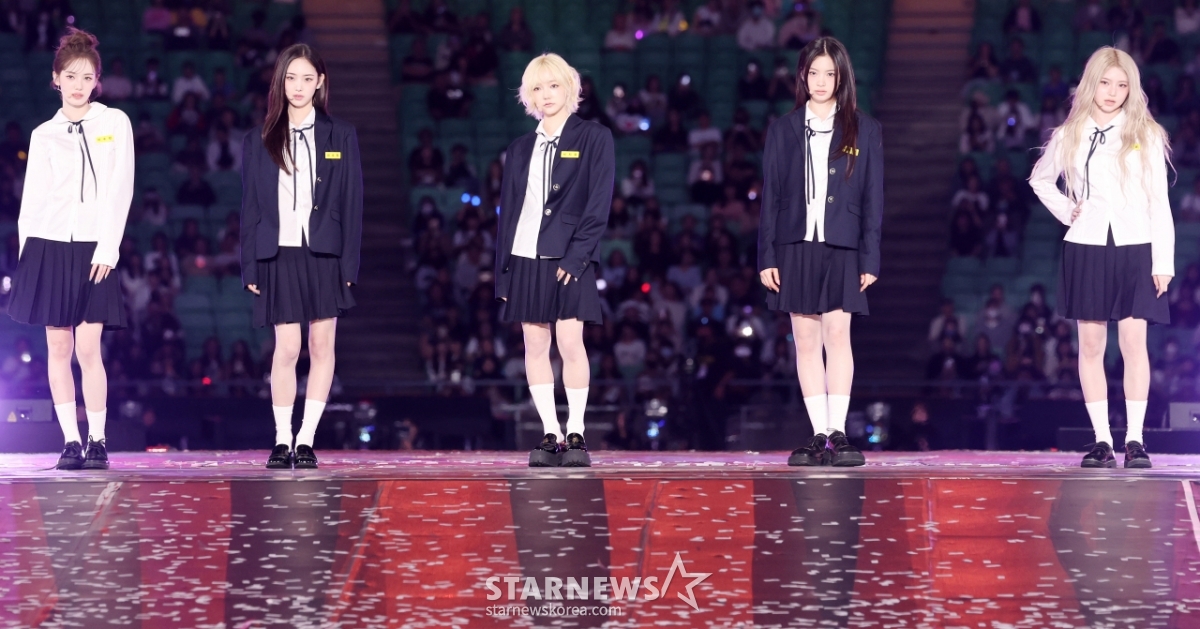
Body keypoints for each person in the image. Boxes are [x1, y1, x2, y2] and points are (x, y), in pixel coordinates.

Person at [1029, 47, 1173, 469]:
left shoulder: (1145, 133)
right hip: (1087, 245)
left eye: (1122, 85)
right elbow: (1040, 179)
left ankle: (1135, 440)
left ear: (1132, 89)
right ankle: (1102, 440)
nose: (1112, 92)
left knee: (1133, 344)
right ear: (1092, 83)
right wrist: (1067, 211)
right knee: (1091, 346)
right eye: (1106, 83)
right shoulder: (1069, 134)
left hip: (1136, 246)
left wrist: (1163, 261)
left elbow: (1159, 200)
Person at [8, 28, 134, 471]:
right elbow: (32, 202)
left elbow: (121, 188)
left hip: (94, 249)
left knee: (88, 349)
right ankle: (70, 441)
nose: (78, 85)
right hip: (49, 247)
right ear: (56, 78)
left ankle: (98, 439)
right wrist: (28, 260)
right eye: (71, 76)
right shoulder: (44, 134)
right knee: (58, 350)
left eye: (87, 77)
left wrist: (109, 247)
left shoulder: (114, 123)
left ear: (97, 80)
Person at [758, 37, 882, 467]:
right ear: (803, 76)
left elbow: (873, 197)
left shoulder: (865, 129)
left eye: (830, 73)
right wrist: (767, 255)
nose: (822, 81)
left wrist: (870, 256)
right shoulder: (783, 129)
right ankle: (818, 434)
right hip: (794, 243)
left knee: (837, 335)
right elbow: (771, 196)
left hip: (843, 243)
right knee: (806, 340)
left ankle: (838, 432)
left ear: (842, 78)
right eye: (814, 73)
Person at [240, 44, 363, 470]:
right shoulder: (258, 138)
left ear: (320, 83)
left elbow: (352, 202)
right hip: (278, 252)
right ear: (280, 81)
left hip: (324, 251)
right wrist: (249, 263)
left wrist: (350, 264)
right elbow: (250, 207)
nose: (298, 86)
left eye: (307, 78)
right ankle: (281, 438)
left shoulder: (340, 134)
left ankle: (307, 439)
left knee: (322, 344)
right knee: (288, 347)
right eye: (291, 78)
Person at [494, 54, 615, 467]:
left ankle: (576, 431)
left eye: (553, 85)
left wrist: (577, 256)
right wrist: (503, 274)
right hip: (525, 255)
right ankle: (550, 432)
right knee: (534, 345)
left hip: (569, 256)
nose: (545, 95)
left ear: (570, 87)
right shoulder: (519, 148)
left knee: (570, 342)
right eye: (536, 88)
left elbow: (598, 205)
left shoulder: (594, 137)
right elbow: (510, 214)